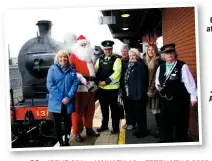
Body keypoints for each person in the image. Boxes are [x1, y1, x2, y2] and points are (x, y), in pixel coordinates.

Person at [155, 43, 197, 142]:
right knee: (166, 123)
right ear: (163, 55)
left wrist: (193, 97)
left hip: (180, 102)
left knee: (181, 124)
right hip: (166, 102)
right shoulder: (160, 67)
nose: (170, 55)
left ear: (175, 53)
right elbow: (157, 82)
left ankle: (181, 141)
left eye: (171, 52)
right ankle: (166, 141)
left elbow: (190, 83)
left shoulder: (182, 66)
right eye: (167, 53)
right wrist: (158, 87)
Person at [70, 35, 99, 142]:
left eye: (85, 44)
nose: (84, 46)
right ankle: (77, 132)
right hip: (79, 88)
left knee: (90, 110)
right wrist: (80, 77)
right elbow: (71, 72)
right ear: (77, 45)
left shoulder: (90, 58)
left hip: (91, 87)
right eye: (82, 44)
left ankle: (89, 128)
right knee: (78, 111)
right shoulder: (73, 56)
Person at [46, 50, 78, 146]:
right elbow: (50, 85)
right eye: (61, 57)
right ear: (57, 58)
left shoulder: (72, 69)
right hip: (56, 102)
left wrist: (68, 97)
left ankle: (67, 140)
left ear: (67, 58)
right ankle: (60, 142)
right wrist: (62, 98)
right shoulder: (52, 69)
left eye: (65, 57)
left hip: (68, 101)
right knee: (57, 124)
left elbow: (75, 83)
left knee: (68, 122)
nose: (63, 59)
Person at [95, 40, 122, 134]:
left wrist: (105, 82)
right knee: (103, 109)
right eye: (106, 50)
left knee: (114, 109)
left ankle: (115, 127)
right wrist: (97, 81)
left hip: (113, 90)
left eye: (109, 49)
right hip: (102, 90)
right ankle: (104, 125)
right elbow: (96, 70)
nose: (108, 51)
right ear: (104, 50)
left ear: (112, 49)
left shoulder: (117, 59)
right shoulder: (100, 59)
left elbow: (117, 73)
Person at [124, 48, 149, 138]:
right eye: (130, 55)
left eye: (133, 55)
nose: (132, 57)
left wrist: (140, 95)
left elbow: (141, 81)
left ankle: (143, 131)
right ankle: (140, 129)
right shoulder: (132, 65)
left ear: (137, 56)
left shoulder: (140, 65)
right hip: (133, 94)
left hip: (139, 95)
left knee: (141, 114)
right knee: (138, 113)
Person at [143, 44, 164, 137]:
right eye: (149, 50)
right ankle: (160, 129)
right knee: (156, 111)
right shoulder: (149, 61)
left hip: (156, 91)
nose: (150, 51)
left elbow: (156, 77)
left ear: (155, 51)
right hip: (151, 90)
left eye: (152, 50)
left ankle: (161, 130)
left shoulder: (157, 61)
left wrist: (151, 90)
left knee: (159, 111)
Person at [119, 44, 131, 130]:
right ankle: (129, 122)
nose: (124, 53)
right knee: (127, 106)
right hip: (123, 88)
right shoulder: (119, 61)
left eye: (125, 51)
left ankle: (134, 122)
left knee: (133, 106)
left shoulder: (132, 60)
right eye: (122, 51)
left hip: (132, 87)